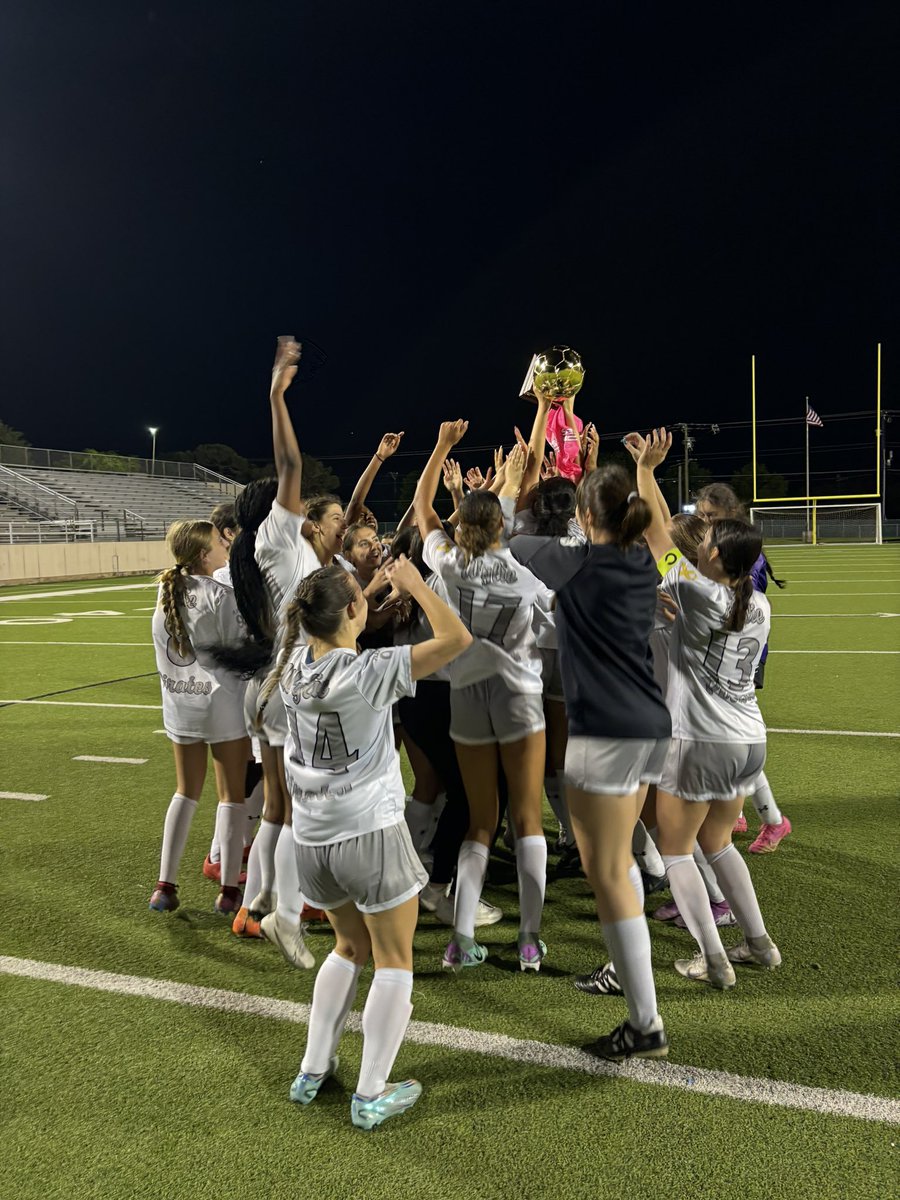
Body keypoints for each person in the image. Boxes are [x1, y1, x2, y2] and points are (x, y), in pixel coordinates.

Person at [263, 559, 471, 1129]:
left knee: (347, 948)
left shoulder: (292, 664)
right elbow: (457, 638)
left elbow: (333, 624)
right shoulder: (371, 671)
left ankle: (312, 1070)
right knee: (394, 960)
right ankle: (371, 1092)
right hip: (370, 833)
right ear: (354, 611)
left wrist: (366, 590)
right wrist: (415, 586)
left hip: (313, 839)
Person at [511, 464, 671, 1061]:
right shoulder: (645, 559)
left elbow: (503, 531)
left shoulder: (572, 560)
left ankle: (645, 1022)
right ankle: (631, 985)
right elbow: (663, 539)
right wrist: (647, 474)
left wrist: (516, 476)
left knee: (605, 874)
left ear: (584, 517)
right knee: (619, 863)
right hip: (650, 726)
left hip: (604, 731)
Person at [638, 431, 781, 989]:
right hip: (750, 740)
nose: (701, 539)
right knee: (716, 843)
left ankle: (713, 959)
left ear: (717, 553)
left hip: (700, 740)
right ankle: (758, 942)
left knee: (675, 851)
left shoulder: (697, 591)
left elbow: (655, 533)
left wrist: (647, 470)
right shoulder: (759, 601)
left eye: (710, 538)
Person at [415, 424, 552, 973]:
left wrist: (442, 445)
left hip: (466, 698)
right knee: (528, 821)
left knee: (479, 821)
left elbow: (425, 508)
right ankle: (529, 938)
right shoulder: (527, 579)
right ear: (506, 526)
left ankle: (461, 938)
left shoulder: (448, 562)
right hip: (520, 700)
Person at [149, 519, 251, 916]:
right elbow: (242, 650)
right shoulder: (219, 594)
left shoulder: (164, 590)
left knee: (184, 792)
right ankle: (228, 891)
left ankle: (164, 885)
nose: (225, 546)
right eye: (218, 542)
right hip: (221, 704)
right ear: (204, 554)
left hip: (180, 706)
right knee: (232, 796)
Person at [694, 483, 791, 853]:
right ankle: (740, 812)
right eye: (701, 515)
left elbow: (739, 603)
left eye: (711, 516)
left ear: (731, 516)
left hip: (738, 654)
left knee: (733, 737)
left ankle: (774, 820)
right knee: (732, 739)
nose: (704, 521)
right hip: (728, 649)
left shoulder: (743, 557)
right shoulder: (723, 547)